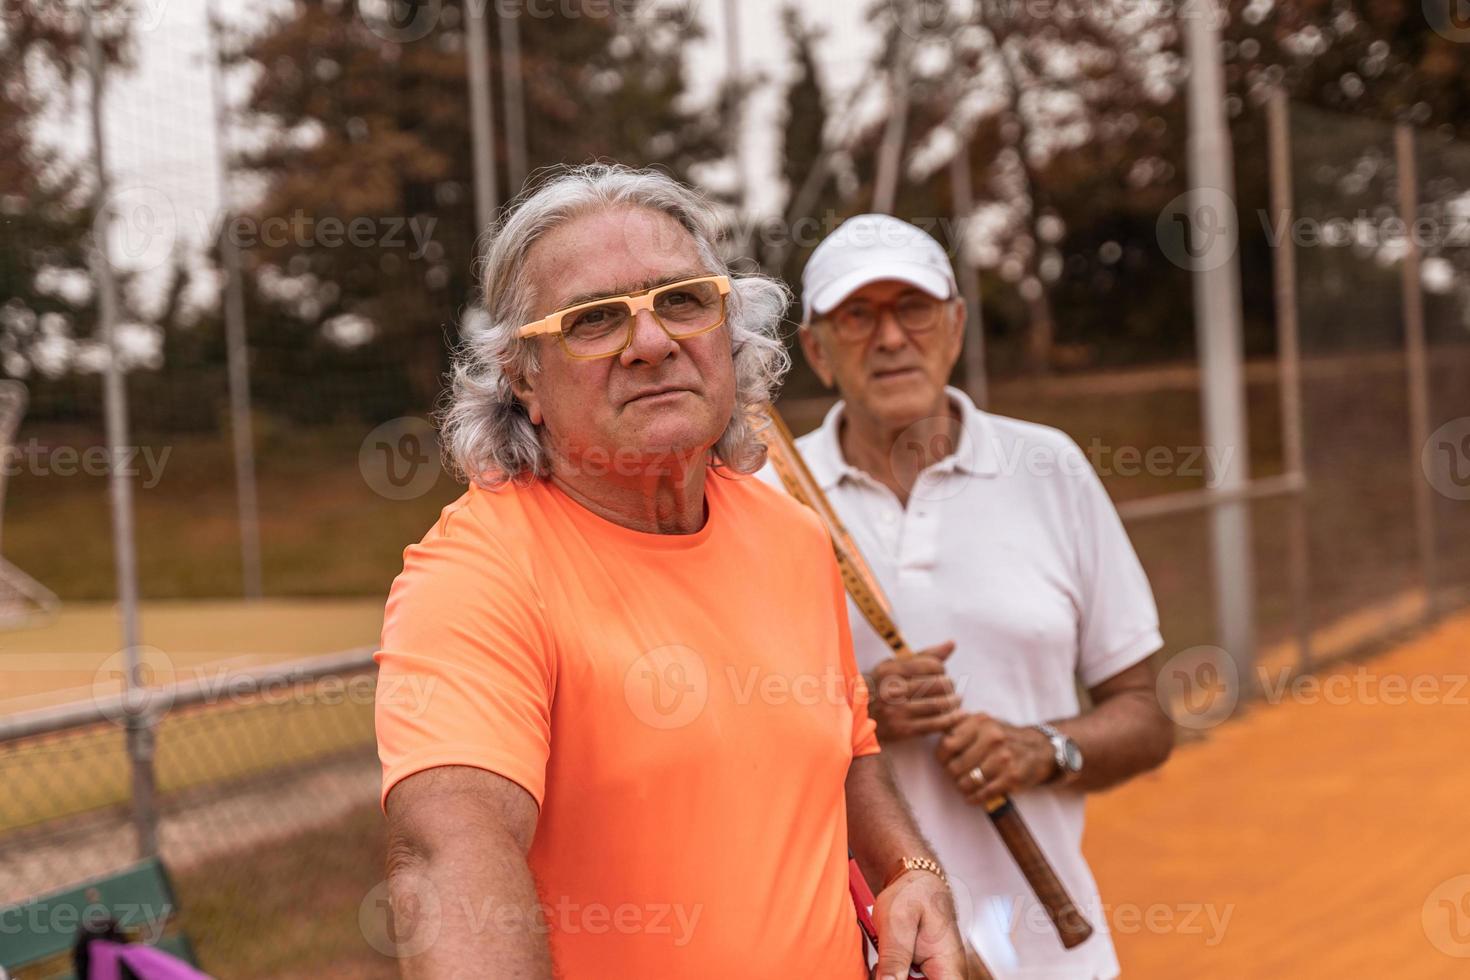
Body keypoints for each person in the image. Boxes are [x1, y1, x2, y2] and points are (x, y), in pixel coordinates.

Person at [373, 167, 965, 980]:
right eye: (593, 319)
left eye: (683, 300)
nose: (651, 342)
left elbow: (848, 749)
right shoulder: (476, 577)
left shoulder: (791, 536)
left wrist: (912, 874)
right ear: (523, 377)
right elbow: (449, 855)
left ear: (729, 327)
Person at [769, 214, 1175, 979]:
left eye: (913, 308)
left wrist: (1046, 749)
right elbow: (729, 746)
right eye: (858, 315)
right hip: (861, 957)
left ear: (954, 327)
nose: (891, 337)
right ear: (817, 351)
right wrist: (860, 717)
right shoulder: (764, 499)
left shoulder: (1049, 467)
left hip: (1053, 956)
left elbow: (1147, 717)